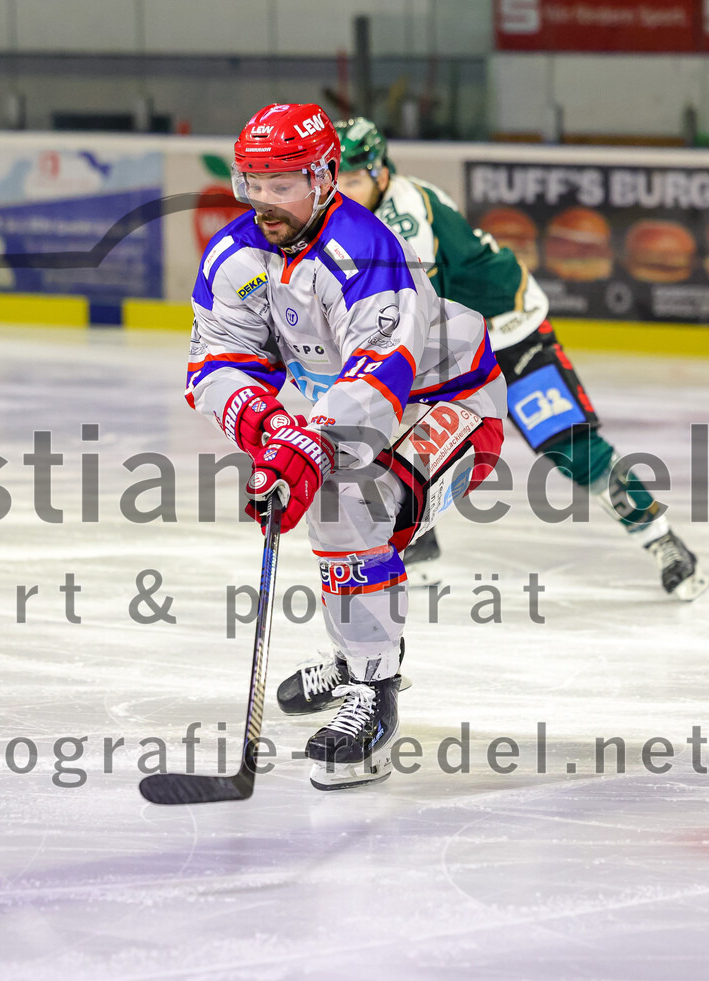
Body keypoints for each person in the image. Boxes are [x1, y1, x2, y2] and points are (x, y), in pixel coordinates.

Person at [187, 103, 506, 790]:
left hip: (453, 404)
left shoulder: (365, 248)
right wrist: (266, 429)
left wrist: (303, 443)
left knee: (347, 502)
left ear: (326, 176)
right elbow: (214, 362)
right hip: (363, 410)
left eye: (283, 184)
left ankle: (375, 691)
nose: (264, 202)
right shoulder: (237, 256)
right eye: (252, 182)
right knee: (336, 502)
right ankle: (361, 647)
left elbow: (381, 372)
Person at [332, 117, 706, 603]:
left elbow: (408, 312)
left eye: (354, 179)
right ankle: (419, 544)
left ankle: (662, 540)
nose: (343, 190)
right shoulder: (360, 214)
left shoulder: (404, 216)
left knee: (572, 446)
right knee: (398, 433)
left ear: (381, 172)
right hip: (450, 336)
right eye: (336, 178)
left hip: (508, 330)